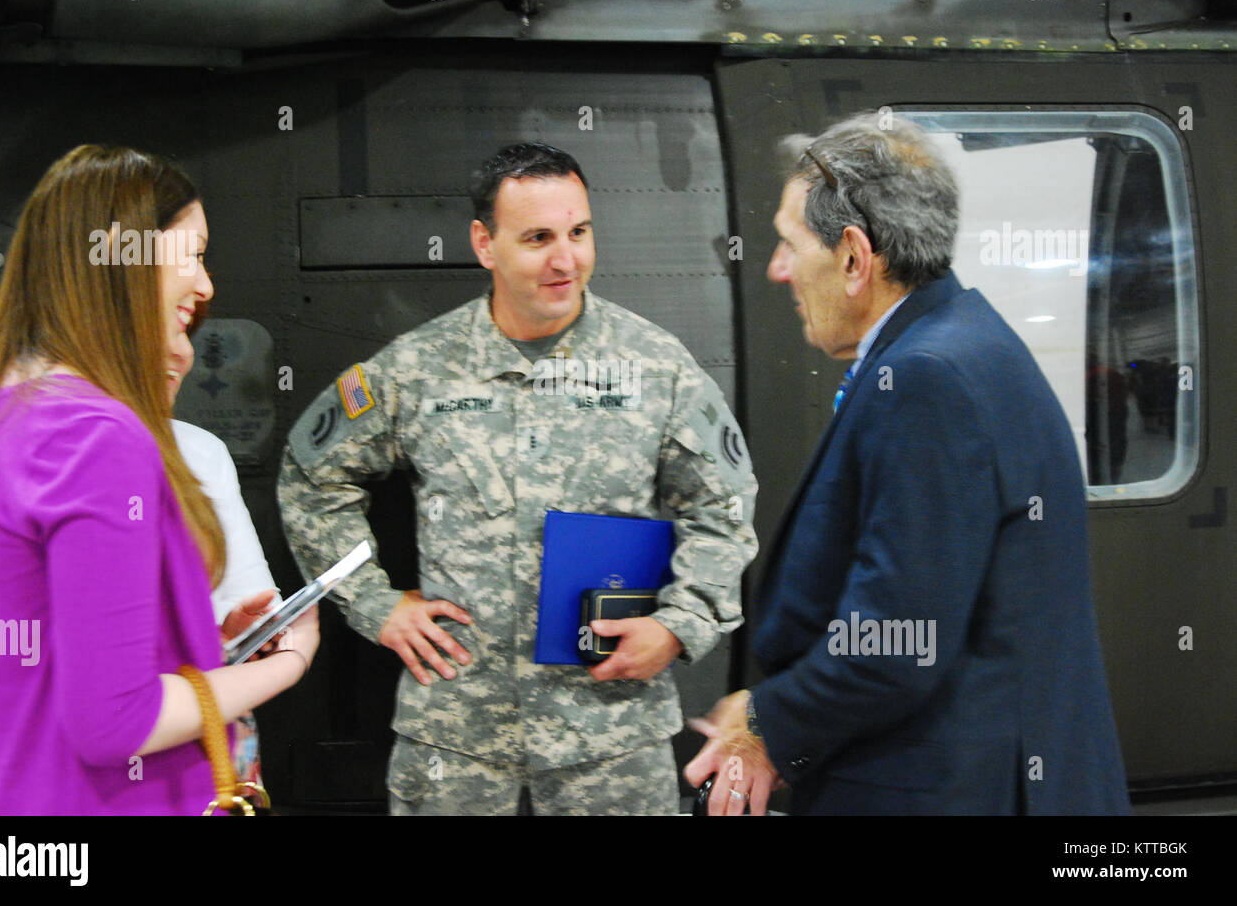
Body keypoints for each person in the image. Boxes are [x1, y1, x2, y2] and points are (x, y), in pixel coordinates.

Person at [278, 142, 758, 815]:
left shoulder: (655, 366)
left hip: (611, 730)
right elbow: (312, 474)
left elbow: (724, 502)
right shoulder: (419, 368)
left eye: (579, 233)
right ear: (484, 243)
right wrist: (374, 604)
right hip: (457, 732)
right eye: (538, 238)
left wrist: (683, 622)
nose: (566, 260)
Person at [684, 112, 1131, 815]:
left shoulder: (927, 381)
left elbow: (898, 644)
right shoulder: (969, 342)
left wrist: (768, 723)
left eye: (789, 243)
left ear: (856, 258)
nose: (777, 268)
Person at [0, 145, 317, 814]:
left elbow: (59, 666)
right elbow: (116, 724)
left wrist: (192, 641)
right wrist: (287, 665)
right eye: (193, 253)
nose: (206, 287)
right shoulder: (98, 436)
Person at [0, 328, 280, 785]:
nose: (180, 352)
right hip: (56, 748)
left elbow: (250, 596)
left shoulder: (201, 454)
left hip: (190, 735)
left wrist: (232, 637)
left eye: (183, 330)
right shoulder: (6, 449)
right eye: (158, 332)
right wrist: (52, 686)